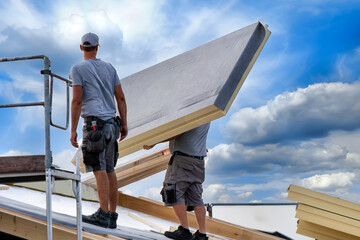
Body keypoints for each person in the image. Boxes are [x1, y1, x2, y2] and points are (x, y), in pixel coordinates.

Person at [70, 32, 128, 228]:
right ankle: (111, 215)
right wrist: (125, 123)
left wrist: (73, 130)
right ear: (97, 47)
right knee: (110, 170)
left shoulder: (78, 68)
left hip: (95, 125)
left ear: (81, 48)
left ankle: (103, 213)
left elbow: (77, 100)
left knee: (99, 169)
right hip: (112, 124)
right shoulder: (109, 68)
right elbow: (120, 97)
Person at [143, 123, 210, 240]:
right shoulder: (207, 113)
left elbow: (178, 133)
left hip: (183, 159)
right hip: (198, 161)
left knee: (172, 191)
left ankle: (184, 230)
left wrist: (154, 142)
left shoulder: (192, 112)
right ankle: (202, 234)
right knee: (196, 197)